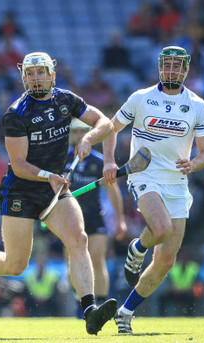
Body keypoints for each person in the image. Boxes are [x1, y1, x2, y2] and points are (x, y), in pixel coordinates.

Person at [0, 52, 117, 335]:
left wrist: (87, 138)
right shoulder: (16, 114)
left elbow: (105, 123)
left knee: (79, 238)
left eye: (41, 72)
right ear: (23, 76)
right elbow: (19, 165)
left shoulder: (66, 100)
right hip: (22, 190)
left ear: (52, 74)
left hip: (55, 190)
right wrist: (47, 176)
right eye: (30, 73)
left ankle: (89, 310)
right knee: (15, 265)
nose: (36, 77)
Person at [102, 46, 204, 334]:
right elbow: (110, 129)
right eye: (167, 65)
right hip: (144, 175)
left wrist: (194, 164)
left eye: (178, 66)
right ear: (160, 68)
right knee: (160, 229)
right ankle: (138, 248)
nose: (172, 71)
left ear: (186, 70)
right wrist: (110, 160)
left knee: (165, 261)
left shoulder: (197, 105)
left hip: (177, 184)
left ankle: (125, 313)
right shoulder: (141, 98)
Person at [67, 118, 127, 308]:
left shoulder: (99, 161)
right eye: (75, 131)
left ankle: (100, 303)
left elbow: (112, 190)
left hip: (94, 216)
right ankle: (82, 302)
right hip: (68, 218)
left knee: (96, 258)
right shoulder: (61, 159)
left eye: (82, 131)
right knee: (73, 260)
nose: (78, 135)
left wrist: (120, 219)